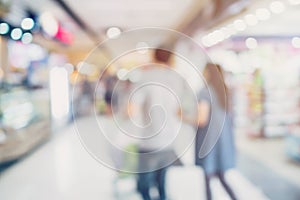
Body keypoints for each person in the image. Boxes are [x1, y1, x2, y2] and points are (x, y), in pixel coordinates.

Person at [132, 47, 183, 200]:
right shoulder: (176, 79)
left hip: (149, 141)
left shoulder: (145, 77)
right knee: (161, 182)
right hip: (168, 140)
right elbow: (180, 111)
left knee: (144, 185)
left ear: (153, 57)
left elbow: (131, 110)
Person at [181, 63, 237, 200]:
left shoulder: (205, 92)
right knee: (220, 175)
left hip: (209, 141)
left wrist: (182, 116)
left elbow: (201, 119)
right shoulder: (224, 91)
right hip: (222, 142)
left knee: (208, 177)